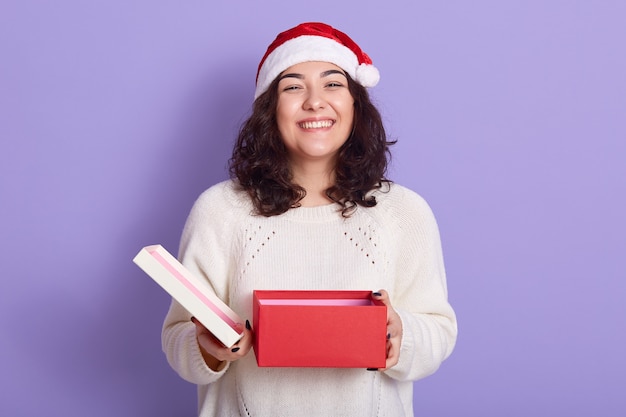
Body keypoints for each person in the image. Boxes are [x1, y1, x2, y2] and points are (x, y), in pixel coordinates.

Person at [162, 22, 457, 417]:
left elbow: (439, 329)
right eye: (293, 86)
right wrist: (207, 349)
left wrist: (400, 333)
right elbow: (179, 337)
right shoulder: (220, 210)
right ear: (270, 109)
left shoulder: (404, 212)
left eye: (333, 84)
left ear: (356, 104)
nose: (315, 101)